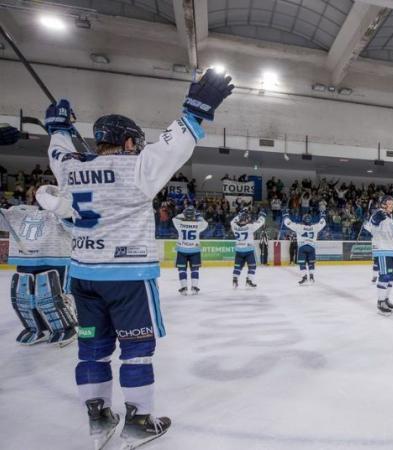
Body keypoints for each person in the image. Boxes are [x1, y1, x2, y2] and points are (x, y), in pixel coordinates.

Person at [41, 69, 233, 449]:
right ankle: (139, 421)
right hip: (128, 279)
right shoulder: (138, 168)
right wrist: (194, 110)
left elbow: (57, 151)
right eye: (136, 142)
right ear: (129, 142)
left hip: (82, 277)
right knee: (136, 352)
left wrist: (58, 127)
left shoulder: (71, 167)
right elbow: (175, 144)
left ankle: (98, 419)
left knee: (92, 348)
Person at [1, 199, 76, 346]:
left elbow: (72, 226)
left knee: (51, 297)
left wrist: (63, 210)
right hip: (26, 259)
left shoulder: (60, 211)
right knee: (23, 297)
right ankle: (36, 328)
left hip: (55, 258)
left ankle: (65, 328)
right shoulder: (16, 212)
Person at [172, 206, 209, 295]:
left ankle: (183, 288)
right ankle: (194, 287)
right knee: (195, 269)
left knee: (182, 270)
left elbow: (174, 218)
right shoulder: (198, 224)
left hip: (182, 249)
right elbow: (206, 223)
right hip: (195, 250)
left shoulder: (179, 222)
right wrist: (197, 216)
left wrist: (184, 213)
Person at [283, 211, 326, 285]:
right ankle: (312, 277)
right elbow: (322, 223)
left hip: (302, 247)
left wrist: (286, 216)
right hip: (311, 247)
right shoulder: (315, 227)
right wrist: (322, 216)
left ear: (303, 220)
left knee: (302, 263)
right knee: (311, 263)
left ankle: (304, 277)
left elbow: (288, 223)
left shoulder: (299, 227)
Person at [230, 209, 266, 288]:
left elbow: (233, 220)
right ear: (246, 219)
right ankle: (249, 281)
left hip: (239, 250)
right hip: (248, 250)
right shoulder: (250, 226)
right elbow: (260, 222)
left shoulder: (234, 226)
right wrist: (262, 215)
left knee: (238, 266)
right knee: (252, 266)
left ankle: (235, 280)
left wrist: (239, 214)